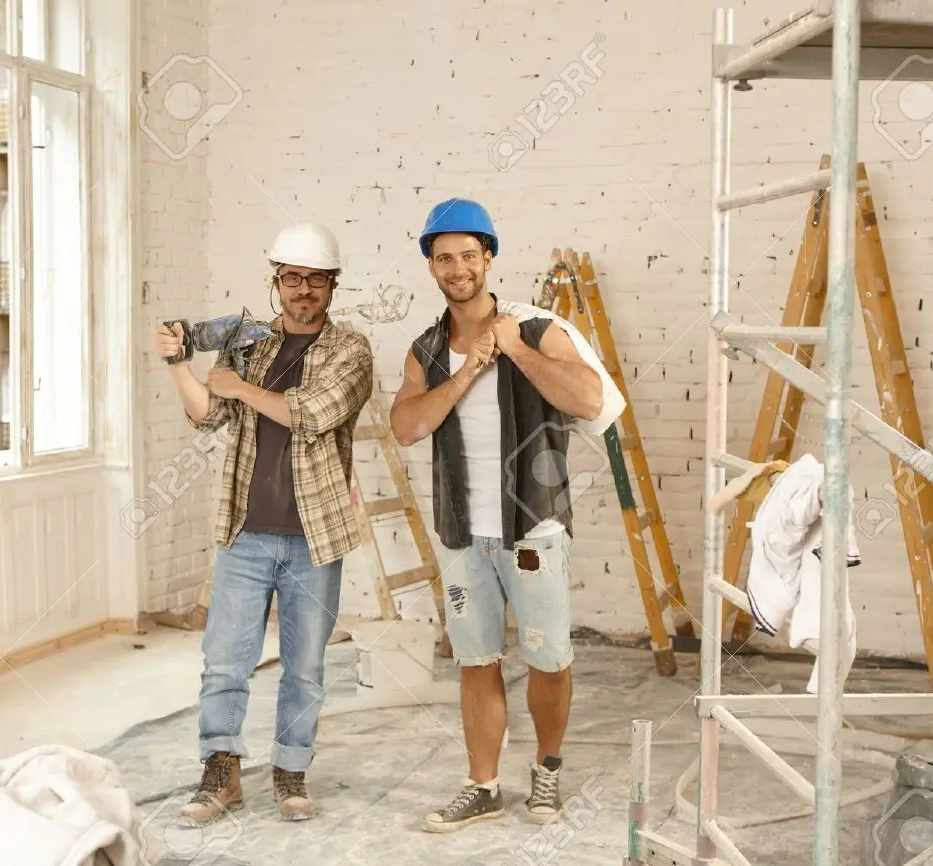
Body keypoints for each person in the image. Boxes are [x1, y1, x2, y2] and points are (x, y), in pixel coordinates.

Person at [389, 198, 625, 832]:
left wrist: (514, 350)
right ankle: (483, 784)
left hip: (534, 528)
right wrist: (467, 373)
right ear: (431, 267)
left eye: (469, 255)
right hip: (464, 532)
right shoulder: (427, 348)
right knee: (476, 659)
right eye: (445, 259)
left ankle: (546, 773)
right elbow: (406, 426)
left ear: (488, 258)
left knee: (548, 658)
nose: (458, 268)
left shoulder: (537, 328)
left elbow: (594, 399)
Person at [152, 222, 375, 824]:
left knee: (304, 665)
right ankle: (221, 773)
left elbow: (312, 412)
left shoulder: (350, 350)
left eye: (316, 280)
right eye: (293, 277)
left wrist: (236, 385)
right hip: (245, 533)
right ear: (277, 280)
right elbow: (207, 415)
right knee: (224, 661)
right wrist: (180, 365)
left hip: (314, 537)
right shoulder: (249, 343)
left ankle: (290, 773)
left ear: (333, 285)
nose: (304, 289)